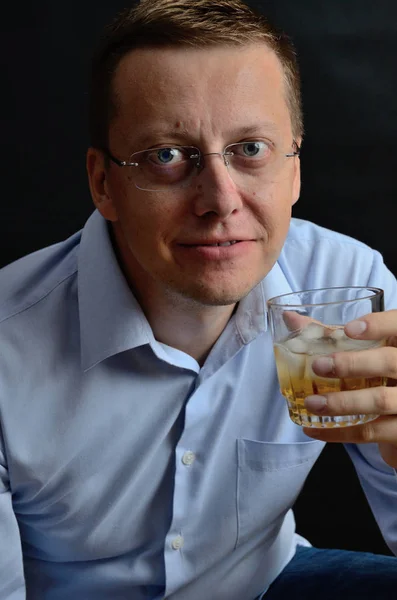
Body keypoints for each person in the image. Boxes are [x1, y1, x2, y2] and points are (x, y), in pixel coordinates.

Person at [1, 0, 397, 598]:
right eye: (166, 155)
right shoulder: (7, 341)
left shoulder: (349, 283)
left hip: (268, 583)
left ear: (294, 168)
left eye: (250, 149)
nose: (219, 200)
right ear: (102, 183)